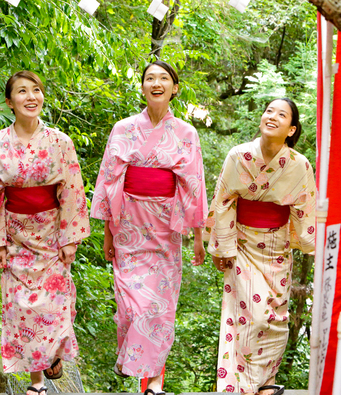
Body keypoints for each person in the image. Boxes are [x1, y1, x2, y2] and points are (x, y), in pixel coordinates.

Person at [90, 60, 207, 395]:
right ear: (142, 87)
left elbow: (194, 186)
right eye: (150, 78)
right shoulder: (123, 128)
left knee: (158, 305)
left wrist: (198, 237)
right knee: (130, 305)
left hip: (165, 228)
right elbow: (110, 181)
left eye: (164, 79)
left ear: (175, 88)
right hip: (128, 222)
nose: (156, 83)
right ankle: (138, 363)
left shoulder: (186, 133)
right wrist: (107, 233)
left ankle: (154, 380)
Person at [0, 71, 90, 395]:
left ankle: (53, 353)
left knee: (53, 305)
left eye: (36, 90)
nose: (30, 97)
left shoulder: (60, 143)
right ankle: (36, 383)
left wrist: (70, 238)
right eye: (22, 92)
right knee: (22, 309)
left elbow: (72, 191)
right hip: (15, 236)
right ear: (9, 102)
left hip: (52, 235)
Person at [204, 98, 316, 395]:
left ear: (291, 129)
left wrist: (308, 242)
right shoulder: (237, 155)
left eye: (282, 115)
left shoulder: (299, 165)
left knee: (275, 316)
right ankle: (244, 384)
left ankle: (266, 381)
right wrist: (222, 247)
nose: (272, 117)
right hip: (242, 244)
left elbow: (304, 209)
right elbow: (224, 200)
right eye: (269, 111)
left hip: (277, 247)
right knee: (248, 314)